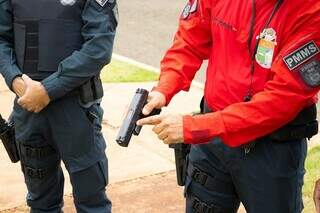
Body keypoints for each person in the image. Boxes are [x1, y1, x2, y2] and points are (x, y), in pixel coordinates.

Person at [137, 0, 320, 212]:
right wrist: (164, 88)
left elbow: (281, 100)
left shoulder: (311, 11)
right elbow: (190, 39)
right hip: (212, 143)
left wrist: (193, 128)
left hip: (271, 149)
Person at [0, 0, 118, 212]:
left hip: (75, 111)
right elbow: (1, 38)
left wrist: (47, 90)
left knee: (92, 203)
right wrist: (15, 79)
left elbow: (98, 47)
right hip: (29, 110)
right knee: (41, 203)